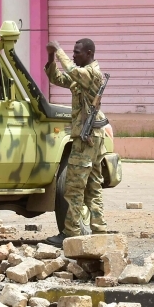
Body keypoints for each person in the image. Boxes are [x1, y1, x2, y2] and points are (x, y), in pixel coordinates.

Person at [43, 38, 109, 247]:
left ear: (89, 53)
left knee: (74, 187)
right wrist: (50, 56)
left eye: (78, 52)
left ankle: (70, 232)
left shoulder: (92, 74)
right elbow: (57, 78)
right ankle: (99, 230)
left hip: (87, 139)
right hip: (93, 138)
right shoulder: (81, 75)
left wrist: (59, 50)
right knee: (92, 186)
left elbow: (71, 70)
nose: (74, 55)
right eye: (73, 52)